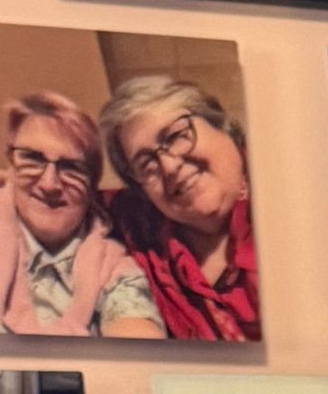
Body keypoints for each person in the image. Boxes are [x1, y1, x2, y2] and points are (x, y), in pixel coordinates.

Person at [0, 92, 163, 339]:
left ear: (92, 185)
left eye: (72, 168)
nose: (49, 184)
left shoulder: (113, 266)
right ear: (10, 165)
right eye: (32, 159)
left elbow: (137, 352)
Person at [98, 75, 260, 343]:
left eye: (175, 136)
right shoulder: (143, 229)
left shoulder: (289, 193)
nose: (169, 167)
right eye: (146, 162)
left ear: (222, 127)